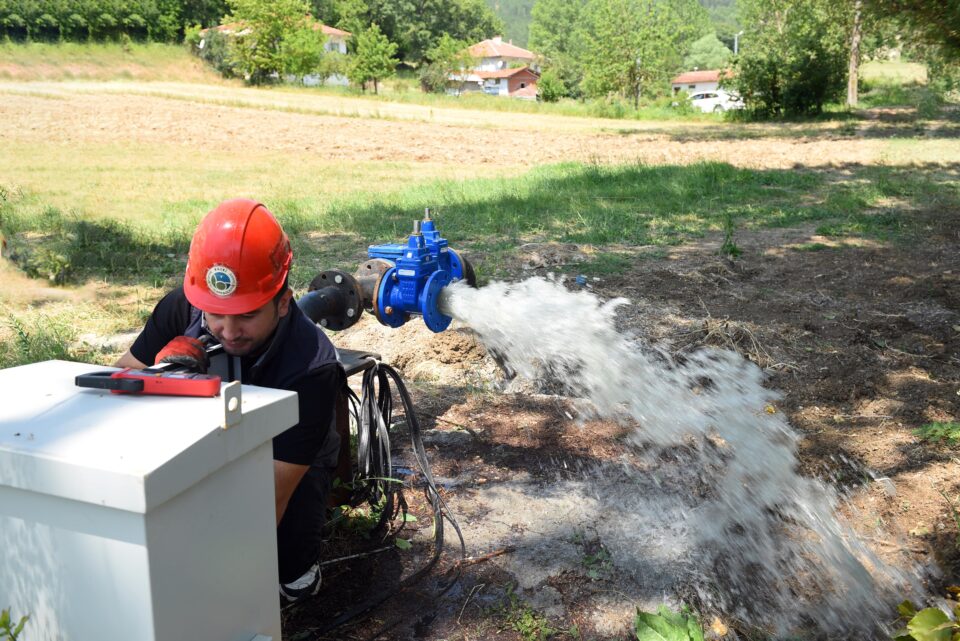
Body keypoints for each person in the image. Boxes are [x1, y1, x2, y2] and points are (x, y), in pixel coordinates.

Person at [115, 198, 343, 603]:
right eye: (215, 314)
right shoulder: (180, 308)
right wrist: (158, 375)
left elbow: (271, 497)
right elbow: (117, 388)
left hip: (285, 457)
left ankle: (300, 565)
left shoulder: (311, 368)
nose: (229, 330)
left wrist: (214, 589)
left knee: (289, 577)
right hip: (203, 437)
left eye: (247, 315)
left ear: (283, 301)